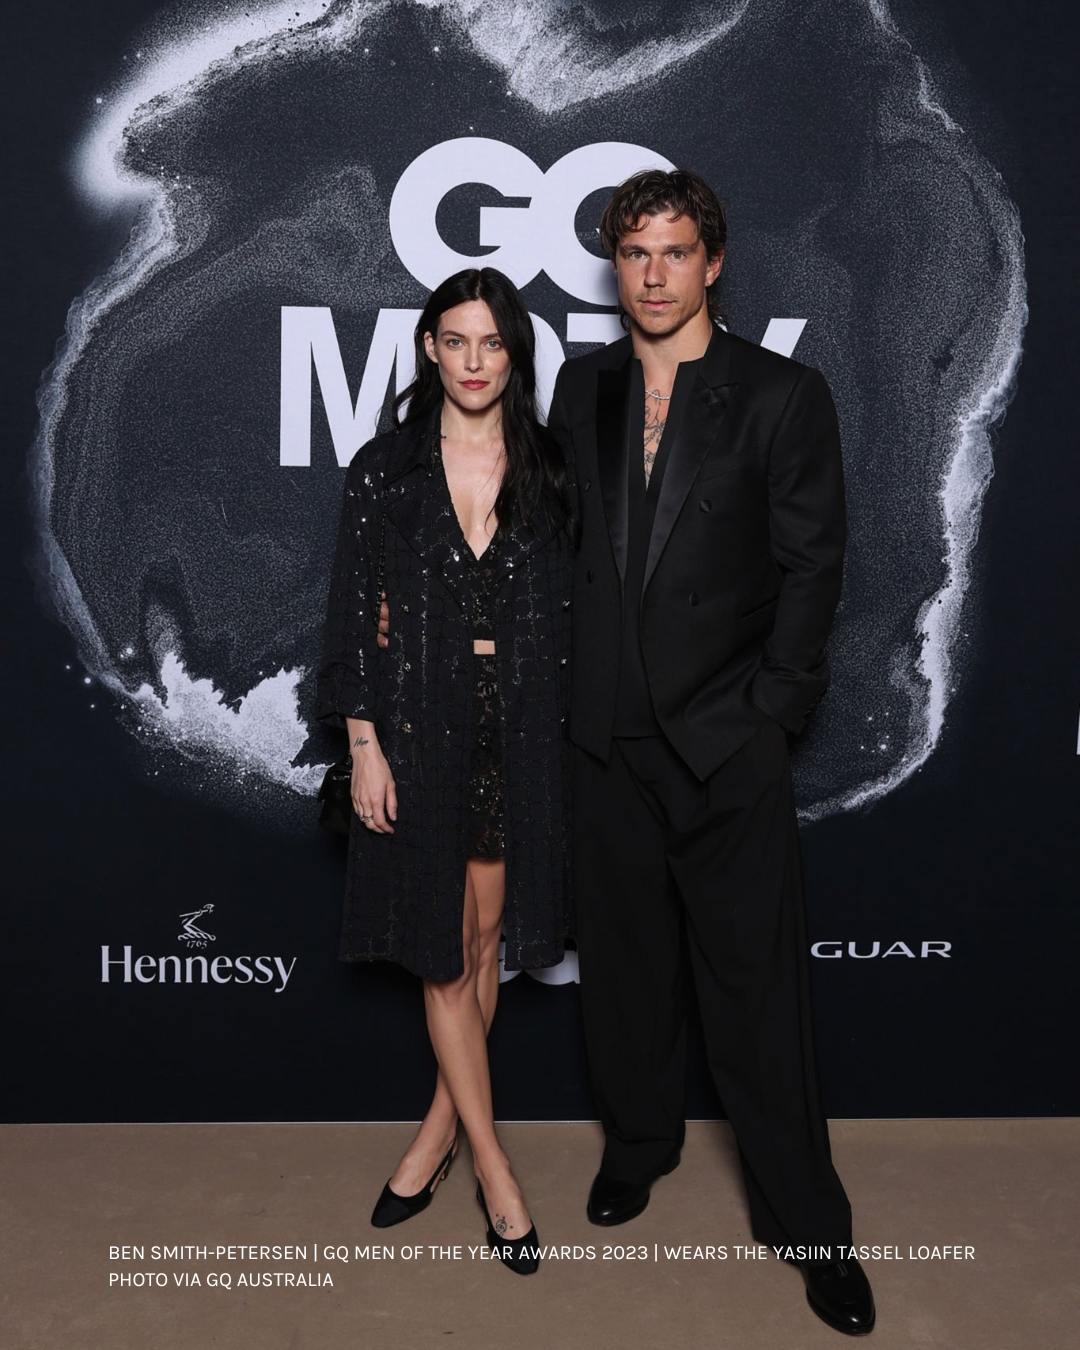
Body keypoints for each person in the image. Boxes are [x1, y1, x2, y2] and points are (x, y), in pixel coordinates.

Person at [545, 169, 876, 1335]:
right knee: (627, 979)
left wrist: (770, 715)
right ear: (614, 264)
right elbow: (557, 548)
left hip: (723, 743)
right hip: (604, 742)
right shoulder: (581, 387)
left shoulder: (783, 395)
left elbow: (812, 568)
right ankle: (638, 1148)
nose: (652, 275)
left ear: (713, 262)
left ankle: (811, 1227)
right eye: (634, 254)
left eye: (674, 252)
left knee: (758, 999)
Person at [316, 267, 574, 1276]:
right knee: (439, 953)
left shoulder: (548, 470)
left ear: (515, 355)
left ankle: (431, 1142)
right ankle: (496, 1174)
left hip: (519, 736)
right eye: (456, 342)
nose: (474, 362)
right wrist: (363, 742)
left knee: (479, 945)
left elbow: (569, 617)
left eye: (493, 344)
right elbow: (349, 620)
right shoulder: (385, 472)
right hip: (418, 735)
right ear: (430, 348)